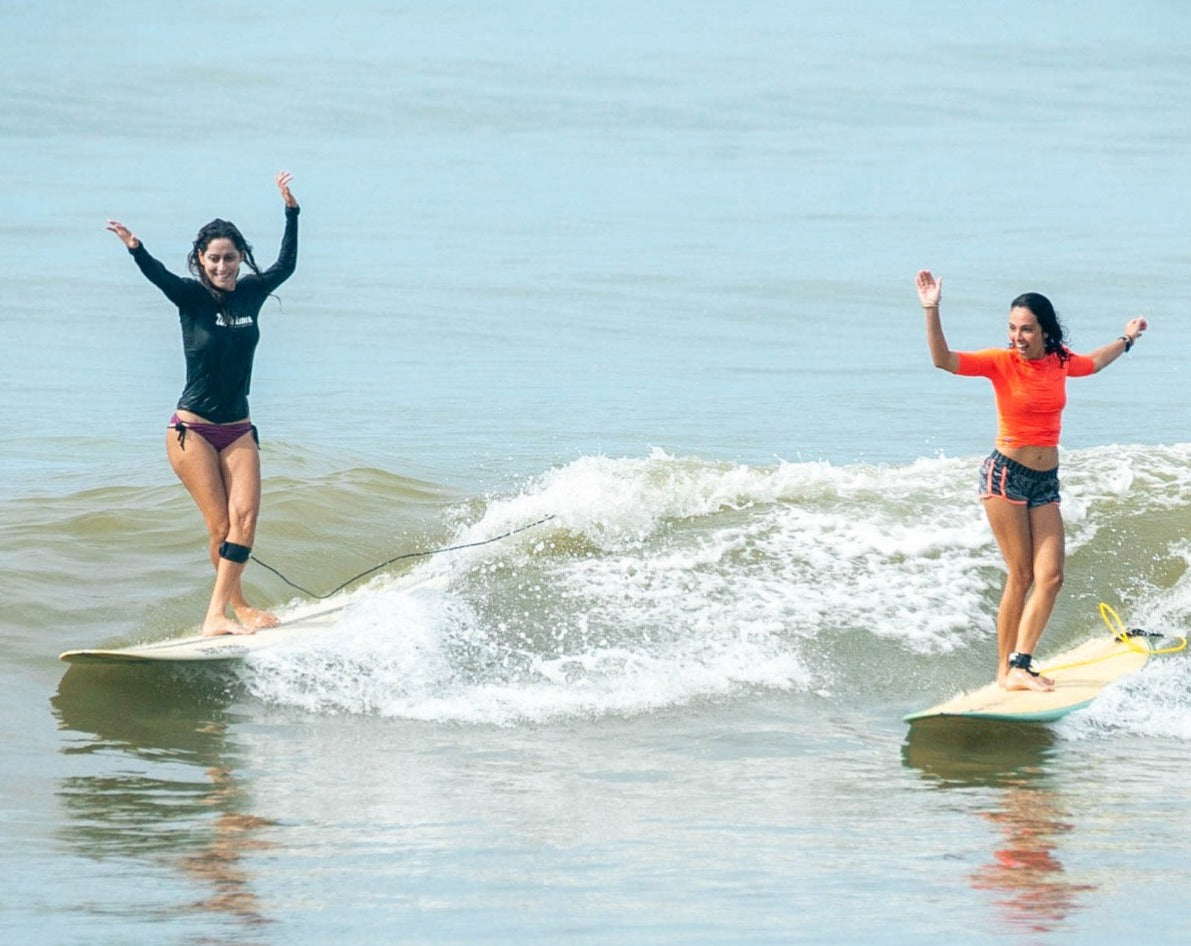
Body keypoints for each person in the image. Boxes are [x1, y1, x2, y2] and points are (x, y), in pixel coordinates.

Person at [915, 270, 1146, 691]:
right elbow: (942, 360)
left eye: (1026, 329)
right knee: (1020, 574)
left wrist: (1128, 339)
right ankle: (1006, 672)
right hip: (1005, 476)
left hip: (1045, 481)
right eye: (1012, 328)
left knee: (1052, 576)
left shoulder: (1059, 362)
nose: (1017, 337)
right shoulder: (1000, 363)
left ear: (1044, 331)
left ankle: (1022, 662)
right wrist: (931, 309)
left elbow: (1093, 363)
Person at [107, 172, 300, 636]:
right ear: (201, 260)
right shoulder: (191, 297)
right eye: (213, 258)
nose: (221, 266)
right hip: (190, 430)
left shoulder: (253, 293)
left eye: (229, 258)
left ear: (240, 258)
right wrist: (136, 248)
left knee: (246, 521)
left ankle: (227, 611)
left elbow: (287, 264)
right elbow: (158, 277)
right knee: (220, 527)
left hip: (238, 428)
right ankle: (226, 611)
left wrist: (292, 212)